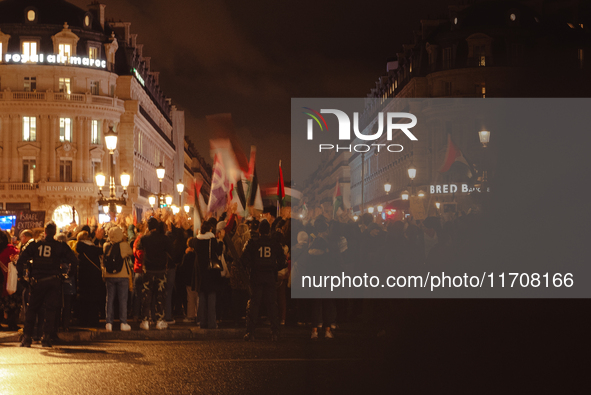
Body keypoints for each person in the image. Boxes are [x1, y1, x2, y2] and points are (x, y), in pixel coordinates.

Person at [17, 221, 78, 347]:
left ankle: (27, 337)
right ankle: (46, 337)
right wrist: (67, 275)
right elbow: (74, 260)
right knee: (51, 310)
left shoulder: (34, 244)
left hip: (38, 281)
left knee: (32, 309)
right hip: (53, 281)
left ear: (44, 232)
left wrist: (22, 277)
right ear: (55, 232)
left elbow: (21, 260)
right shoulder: (60, 246)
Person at [242, 220, 286, 341]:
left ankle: (250, 332)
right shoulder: (274, 244)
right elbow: (283, 262)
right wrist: (273, 268)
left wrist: (250, 267)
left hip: (256, 276)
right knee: (272, 305)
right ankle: (275, 332)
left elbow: (243, 260)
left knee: (254, 305)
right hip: (270, 277)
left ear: (259, 230)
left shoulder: (253, 243)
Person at [137, 217, 172, 330]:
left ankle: (145, 320)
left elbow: (139, 249)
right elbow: (171, 252)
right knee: (160, 296)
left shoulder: (144, 238)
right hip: (161, 270)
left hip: (148, 270)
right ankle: (160, 320)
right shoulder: (164, 238)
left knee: (146, 295)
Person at [192, 221, 223, 329]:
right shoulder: (212, 240)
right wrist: (221, 241)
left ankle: (202, 322)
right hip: (210, 272)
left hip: (200, 272)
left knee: (202, 297)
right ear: (211, 229)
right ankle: (212, 322)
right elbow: (219, 252)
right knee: (211, 297)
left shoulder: (196, 240)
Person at [103, 227, 133, 332]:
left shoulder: (106, 246)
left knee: (109, 299)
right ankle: (123, 322)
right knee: (123, 300)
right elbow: (130, 252)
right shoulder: (124, 245)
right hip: (122, 275)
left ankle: (109, 323)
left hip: (109, 276)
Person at [76, 230, 105, 327]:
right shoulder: (94, 249)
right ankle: (93, 320)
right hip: (94, 278)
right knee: (93, 300)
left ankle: (83, 320)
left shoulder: (79, 249)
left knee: (83, 300)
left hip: (83, 278)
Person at [0, 231, 20, 331]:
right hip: (8, 280)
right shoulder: (11, 250)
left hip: (2, 280)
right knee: (12, 303)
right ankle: (12, 323)